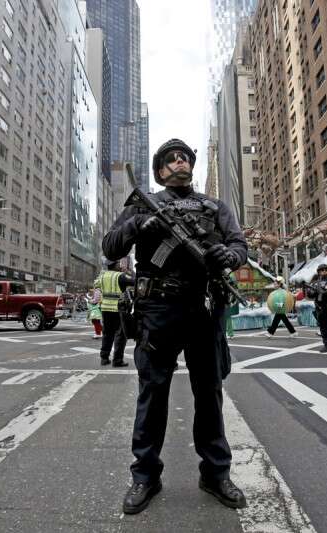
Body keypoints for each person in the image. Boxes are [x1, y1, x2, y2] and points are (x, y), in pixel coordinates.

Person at [103, 138, 248, 514]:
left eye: (184, 156)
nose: (179, 161)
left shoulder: (214, 207)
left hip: (203, 306)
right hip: (157, 309)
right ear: (160, 171)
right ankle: (145, 476)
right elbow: (110, 247)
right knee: (153, 393)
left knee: (209, 392)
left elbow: (239, 245)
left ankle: (215, 473)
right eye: (170, 159)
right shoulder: (143, 204)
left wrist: (228, 256)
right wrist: (139, 225)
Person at [94, 260, 133, 366]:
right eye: (118, 264)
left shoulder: (102, 276)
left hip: (105, 308)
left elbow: (96, 285)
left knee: (107, 333)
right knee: (120, 335)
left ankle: (104, 358)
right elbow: (134, 281)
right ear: (115, 265)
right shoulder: (120, 276)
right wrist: (128, 272)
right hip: (118, 308)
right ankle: (117, 360)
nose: (119, 265)